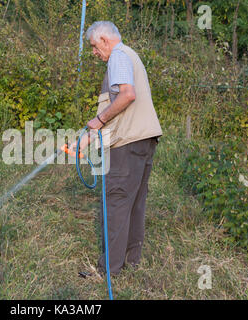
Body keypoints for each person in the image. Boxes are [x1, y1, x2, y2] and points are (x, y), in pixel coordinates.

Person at [69, 21, 163, 275]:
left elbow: (127, 95)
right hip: (144, 139)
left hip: (128, 144)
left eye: (93, 46)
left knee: (116, 202)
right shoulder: (130, 55)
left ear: (104, 40)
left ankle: (107, 270)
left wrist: (98, 120)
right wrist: (84, 140)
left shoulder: (118, 57)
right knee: (134, 202)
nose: (93, 52)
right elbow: (117, 113)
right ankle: (130, 262)